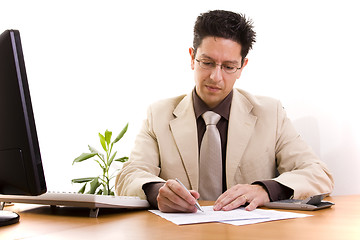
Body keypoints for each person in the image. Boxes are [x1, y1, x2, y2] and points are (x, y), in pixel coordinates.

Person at [115, 10, 334, 213]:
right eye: (207, 62)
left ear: (242, 67)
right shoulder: (159, 114)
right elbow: (128, 175)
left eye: (229, 67)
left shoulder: (270, 114)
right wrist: (156, 191)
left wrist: (265, 190)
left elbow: (318, 174)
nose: (215, 77)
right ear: (192, 58)